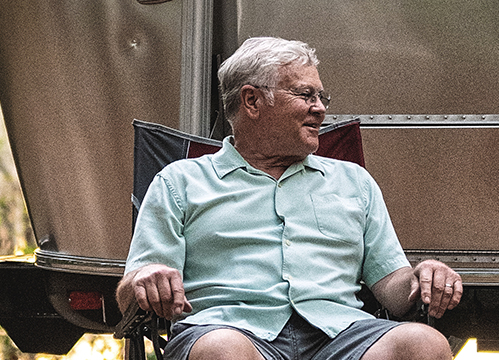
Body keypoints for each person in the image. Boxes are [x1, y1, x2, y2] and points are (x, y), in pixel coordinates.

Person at [119, 37, 463, 360]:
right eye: (305, 95)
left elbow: (392, 287)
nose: (319, 109)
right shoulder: (182, 181)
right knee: (223, 350)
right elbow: (127, 295)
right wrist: (145, 279)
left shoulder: (352, 181)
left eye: (321, 97)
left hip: (341, 334)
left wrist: (423, 276)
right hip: (231, 330)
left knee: (425, 344)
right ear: (252, 100)